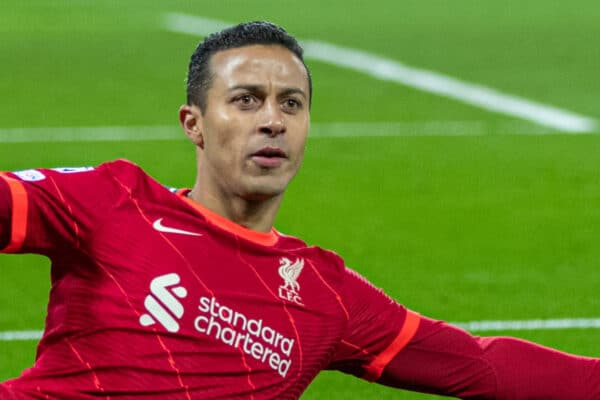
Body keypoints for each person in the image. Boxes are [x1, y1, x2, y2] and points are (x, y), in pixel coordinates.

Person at [0, 21, 598, 400]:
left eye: (291, 103)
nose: (272, 120)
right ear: (195, 124)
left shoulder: (325, 295)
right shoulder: (116, 201)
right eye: (245, 100)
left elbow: (481, 368)